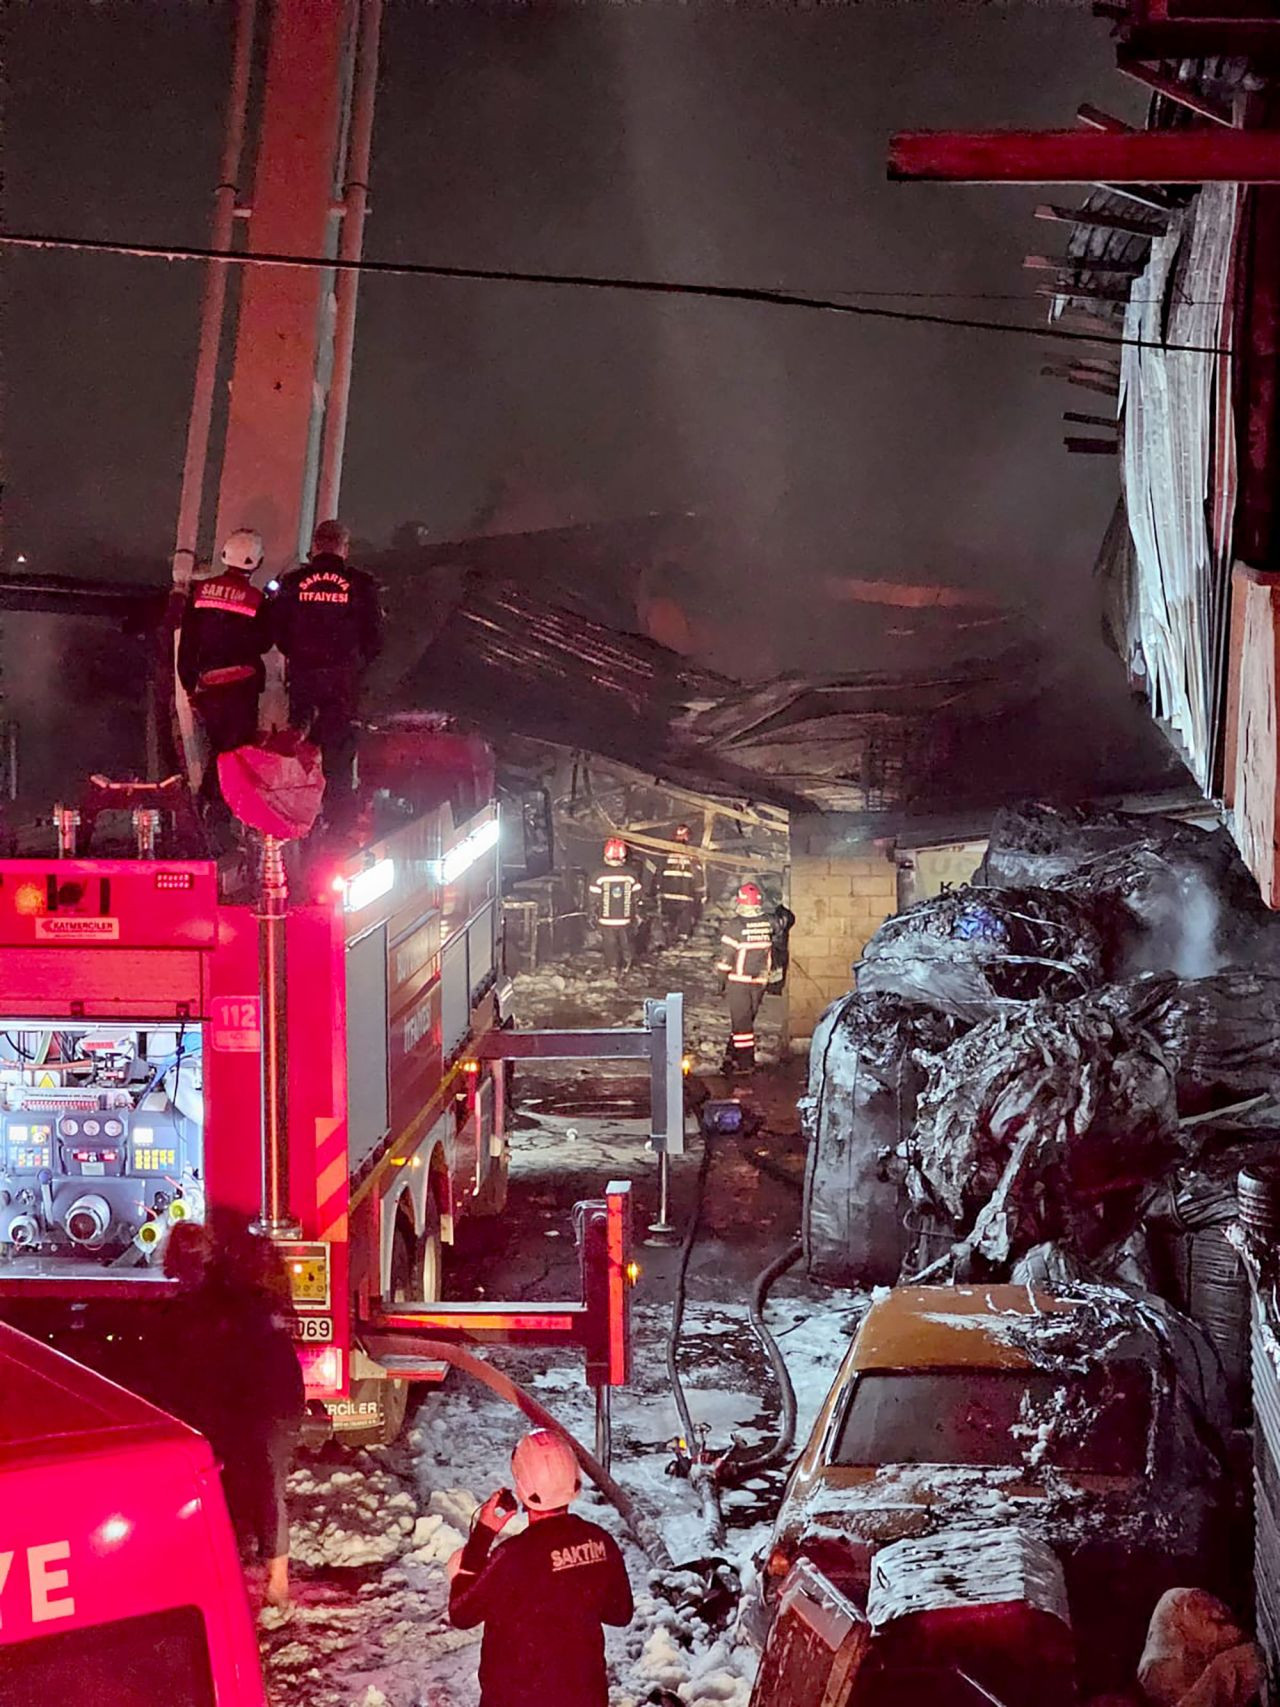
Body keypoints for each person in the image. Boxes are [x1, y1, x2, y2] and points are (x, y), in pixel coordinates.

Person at [157, 1211, 305, 1608]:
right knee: (265, 1484)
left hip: (259, 1401)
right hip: (270, 1400)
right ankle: (271, 1578)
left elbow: (197, 1362)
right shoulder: (242, 1297)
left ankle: (270, 1581)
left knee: (258, 1484)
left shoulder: (210, 1303)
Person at [448, 1428, 633, 1707]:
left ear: (521, 1488)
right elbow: (620, 1614)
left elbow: (461, 1613)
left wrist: (483, 1535)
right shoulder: (600, 1541)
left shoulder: (511, 1557)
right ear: (574, 1481)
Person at [270, 517, 383, 819]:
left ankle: (297, 815)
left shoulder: (293, 582)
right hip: (342, 680)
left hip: (304, 675)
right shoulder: (361, 583)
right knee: (339, 754)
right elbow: (374, 637)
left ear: (315, 546)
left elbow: (278, 631)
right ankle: (336, 825)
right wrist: (354, 664)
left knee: (300, 742)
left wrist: (299, 654)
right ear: (344, 548)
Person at [176, 528, 271, 817]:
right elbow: (265, 642)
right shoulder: (257, 600)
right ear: (257, 562)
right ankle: (215, 809)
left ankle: (207, 807)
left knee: (218, 748)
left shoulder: (200, 593)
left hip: (208, 687)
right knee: (234, 753)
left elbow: (187, 643)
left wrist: (190, 686)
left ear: (224, 556)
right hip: (241, 688)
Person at [716, 881, 774, 1073]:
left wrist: (721, 981)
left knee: (742, 1027)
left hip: (739, 982)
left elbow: (726, 958)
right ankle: (730, 1056)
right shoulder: (767, 923)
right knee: (745, 1021)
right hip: (759, 982)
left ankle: (745, 1064)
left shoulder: (735, 926)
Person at [588, 837, 644, 972]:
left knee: (610, 943)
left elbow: (593, 899)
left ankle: (612, 967)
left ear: (606, 857)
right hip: (625, 919)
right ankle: (628, 965)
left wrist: (591, 915)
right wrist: (638, 914)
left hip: (606, 919)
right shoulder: (631, 875)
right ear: (623, 857)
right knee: (626, 942)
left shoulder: (598, 875)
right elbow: (638, 897)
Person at [655, 824, 703, 945]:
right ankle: (681, 939)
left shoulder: (666, 853)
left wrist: (654, 889)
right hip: (685, 895)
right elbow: (698, 875)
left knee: (668, 920)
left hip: (668, 895)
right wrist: (700, 893)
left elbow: (659, 872)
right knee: (683, 921)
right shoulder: (692, 855)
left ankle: (668, 939)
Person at [767, 898, 797, 994]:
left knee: (777, 970)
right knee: (777, 970)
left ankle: (774, 988)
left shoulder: (776, 920)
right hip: (778, 947)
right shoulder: (784, 920)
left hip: (778, 948)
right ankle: (774, 988)